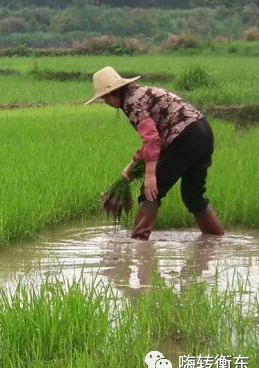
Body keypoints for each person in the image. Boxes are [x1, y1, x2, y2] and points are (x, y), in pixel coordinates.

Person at [86, 66, 224, 240]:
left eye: (105, 98)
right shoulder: (140, 94)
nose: (106, 102)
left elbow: (152, 139)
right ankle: (216, 241)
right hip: (202, 133)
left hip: (184, 138)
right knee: (193, 196)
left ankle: (139, 243)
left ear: (115, 92)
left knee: (150, 192)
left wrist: (151, 175)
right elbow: (152, 138)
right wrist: (132, 165)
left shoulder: (132, 103)